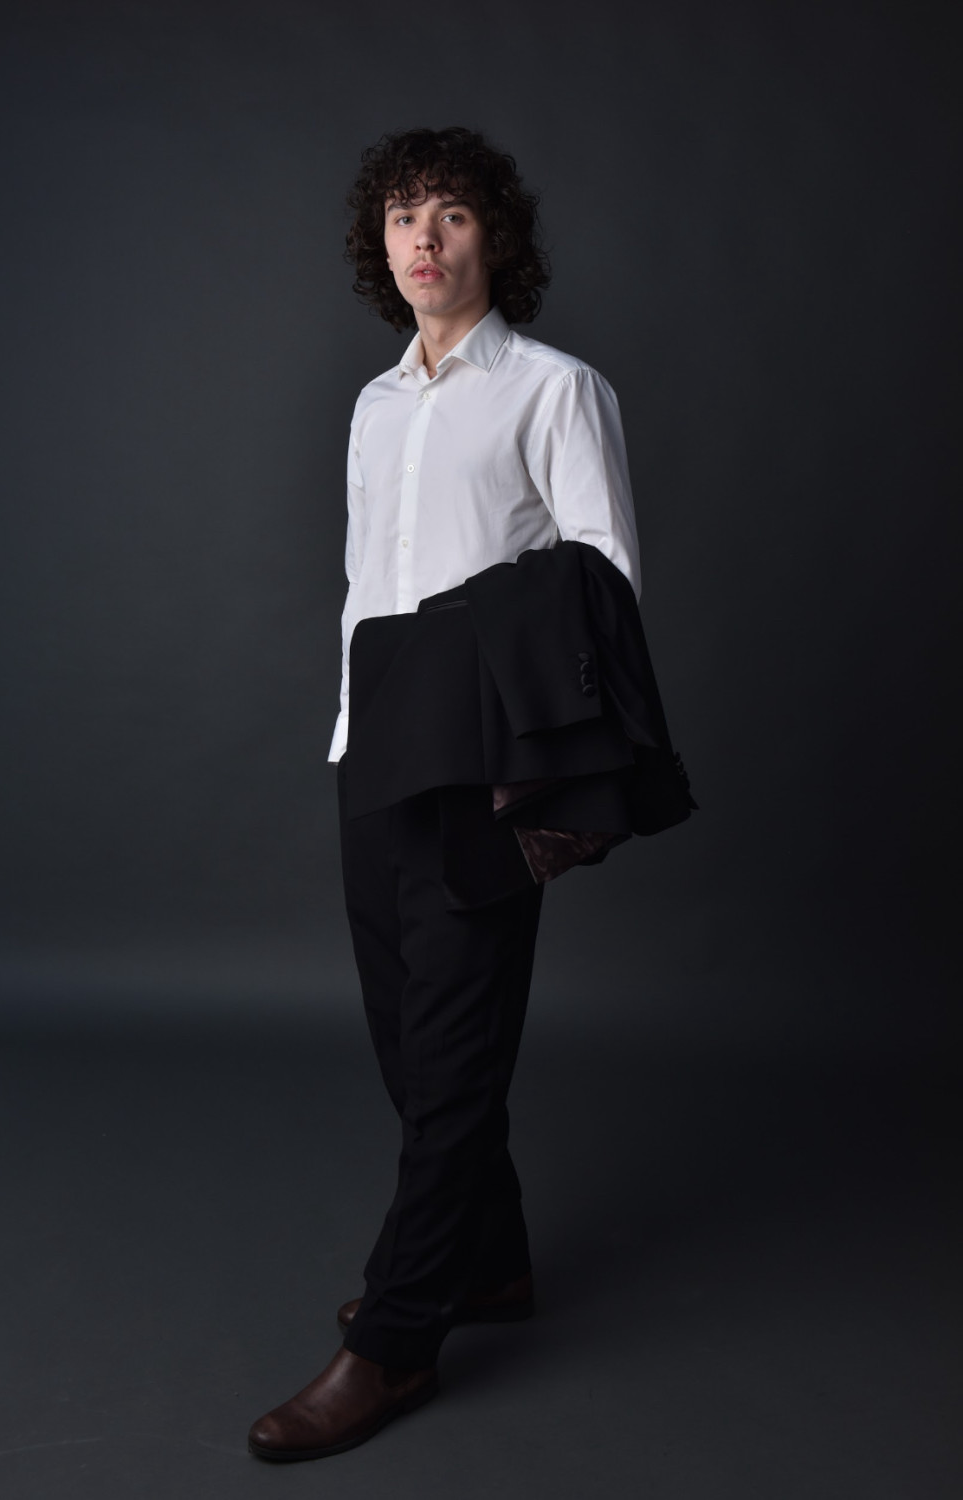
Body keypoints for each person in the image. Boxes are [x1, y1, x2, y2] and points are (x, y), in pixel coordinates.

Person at [248, 124, 643, 1463]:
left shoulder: (555, 388)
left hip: (482, 769)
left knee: (458, 1050)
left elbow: (602, 581)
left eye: (452, 213)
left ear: (494, 236)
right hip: (371, 758)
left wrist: (510, 735)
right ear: (382, 244)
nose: (424, 236)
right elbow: (367, 580)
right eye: (403, 215)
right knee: (410, 1049)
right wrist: (353, 728)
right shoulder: (374, 405)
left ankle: (398, 1339)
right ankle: (492, 1262)